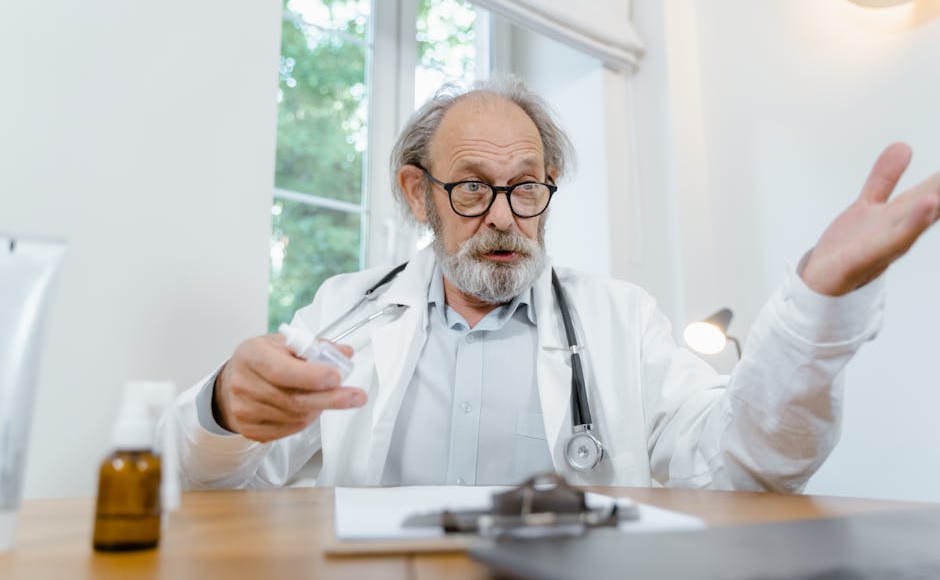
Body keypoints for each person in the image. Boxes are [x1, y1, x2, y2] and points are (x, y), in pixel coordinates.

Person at [170, 78, 940, 491]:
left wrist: (818, 300)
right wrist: (223, 407)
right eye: (472, 187)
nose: (504, 217)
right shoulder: (346, 309)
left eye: (526, 187)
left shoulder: (620, 318)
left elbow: (744, 463)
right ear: (418, 194)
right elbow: (212, 480)